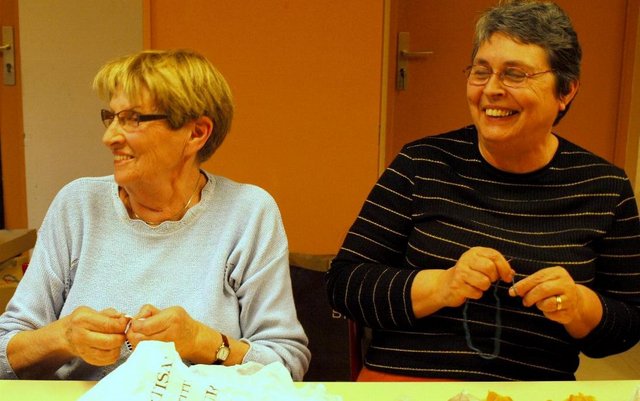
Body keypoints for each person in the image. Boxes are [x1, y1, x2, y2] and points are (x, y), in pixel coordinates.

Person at [326, 0, 640, 381]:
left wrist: (579, 306)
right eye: (481, 71)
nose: (491, 89)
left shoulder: (605, 188)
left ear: (566, 91)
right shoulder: (422, 163)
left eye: (515, 75)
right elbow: (344, 285)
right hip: (408, 382)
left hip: (528, 389)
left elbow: (627, 324)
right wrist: (442, 285)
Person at [0, 49, 310, 380]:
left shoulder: (247, 213)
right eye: (112, 117)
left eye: (133, 119)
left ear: (196, 133)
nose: (109, 138)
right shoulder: (77, 205)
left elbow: (287, 363)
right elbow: (5, 354)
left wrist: (201, 342)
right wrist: (63, 338)